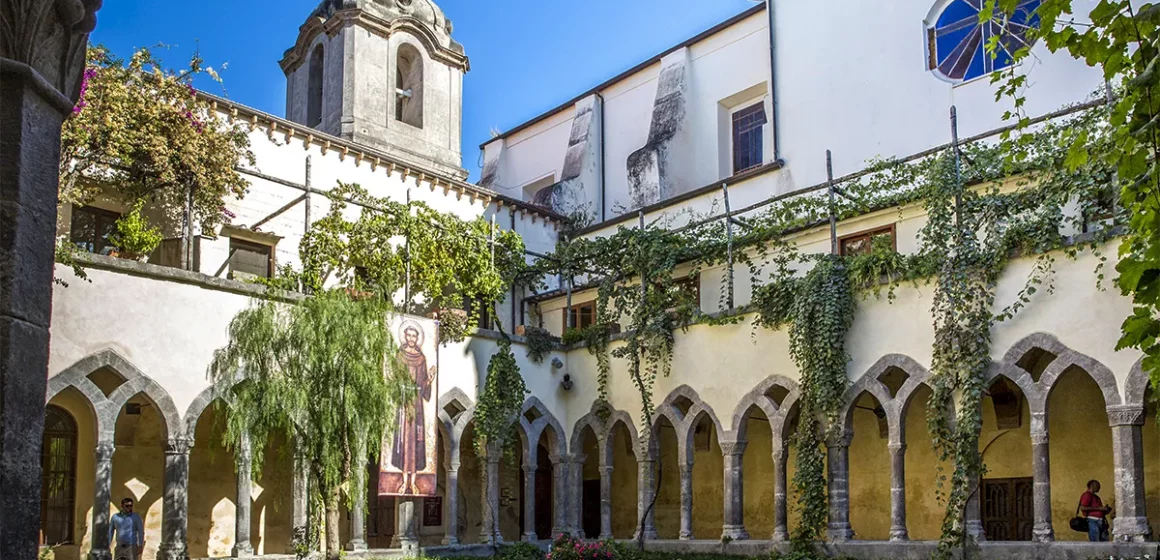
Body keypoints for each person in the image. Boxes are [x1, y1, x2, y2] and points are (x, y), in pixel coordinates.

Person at [391, 323, 435, 495]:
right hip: (403, 401)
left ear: (417, 338)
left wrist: (429, 380)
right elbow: (395, 378)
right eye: (408, 335)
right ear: (405, 337)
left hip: (416, 404)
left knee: (416, 440)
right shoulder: (399, 356)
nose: (411, 338)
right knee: (404, 440)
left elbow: (423, 385)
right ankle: (403, 480)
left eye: (414, 336)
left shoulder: (421, 358)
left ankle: (414, 481)